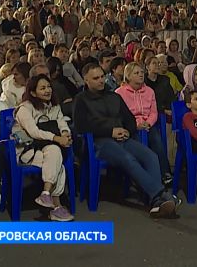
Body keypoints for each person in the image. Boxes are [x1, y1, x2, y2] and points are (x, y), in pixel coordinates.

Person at [73, 64, 178, 218]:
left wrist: (127, 130)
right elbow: (81, 126)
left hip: (122, 138)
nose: (101, 80)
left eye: (102, 76)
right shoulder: (81, 99)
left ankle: (156, 202)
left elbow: (129, 119)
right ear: (86, 80)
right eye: (96, 78)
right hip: (98, 142)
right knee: (127, 158)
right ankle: (159, 195)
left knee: (151, 156)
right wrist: (110, 131)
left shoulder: (113, 96)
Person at [13, 74, 74, 221]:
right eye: (42, 88)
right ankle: (56, 206)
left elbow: (62, 122)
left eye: (48, 87)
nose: (47, 90)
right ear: (33, 92)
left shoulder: (54, 106)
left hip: (49, 148)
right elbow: (34, 132)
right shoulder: (24, 109)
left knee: (54, 153)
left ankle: (46, 195)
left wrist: (65, 133)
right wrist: (57, 138)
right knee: (58, 160)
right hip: (29, 150)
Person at [116, 62, 171, 185]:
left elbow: (154, 112)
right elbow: (119, 115)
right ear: (128, 76)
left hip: (147, 125)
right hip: (130, 126)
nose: (141, 75)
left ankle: (164, 173)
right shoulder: (119, 92)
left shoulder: (149, 91)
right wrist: (135, 125)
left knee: (156, 139)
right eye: (136, 73)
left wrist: (148, 124)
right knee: (138, 142)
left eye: (142, 72)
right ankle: (142, 175)